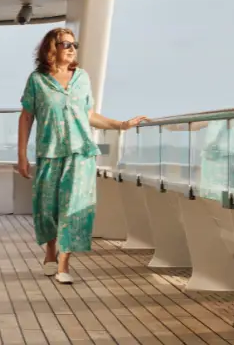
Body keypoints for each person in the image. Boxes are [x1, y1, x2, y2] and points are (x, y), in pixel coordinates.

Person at [16, 27, 147, 284]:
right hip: (49, 152)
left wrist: (121, 124)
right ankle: (51, 251)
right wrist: (21, 154)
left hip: (81, 153)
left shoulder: (82, 78)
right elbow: (27, 116)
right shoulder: (37, 80)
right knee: (47, 208)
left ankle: (64, 263)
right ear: (51, 48)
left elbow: (88, 115)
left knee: (74, 208)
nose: (72, 48)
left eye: (74, 44)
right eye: (66, 44)